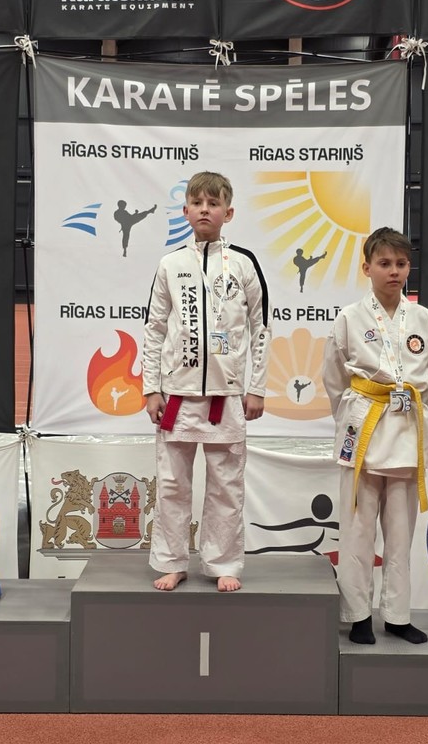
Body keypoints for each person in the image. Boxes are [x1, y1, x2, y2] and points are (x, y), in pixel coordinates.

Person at [142, 171, 270, 593]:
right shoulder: (170, 264)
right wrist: (151, 388)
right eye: (197, 203)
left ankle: (223, 562)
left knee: (226, 485)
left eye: (213, 204)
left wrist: (256, 387)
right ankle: (171, 561)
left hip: (226, 394)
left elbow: (261, 327)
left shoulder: (244, 263)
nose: (204, 210)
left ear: (228, 213)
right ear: (185, 211)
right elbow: (154, 329)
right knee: (172, 484)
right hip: (176, 395)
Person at [322, 227, 428, 645]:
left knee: (400, 531)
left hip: (406, 428)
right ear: (367, 268)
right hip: (364, 424)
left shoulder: (423, 318)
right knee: (358, 530)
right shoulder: (349, 317)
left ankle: (397, 615)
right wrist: (354, 412)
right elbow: (333, 377)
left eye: (401, 263)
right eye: (384, 263)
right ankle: (358, 614)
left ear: (409, 267)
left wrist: (406, 405)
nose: (394, 271)